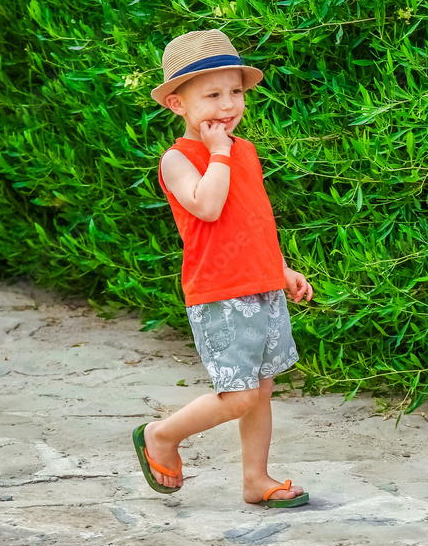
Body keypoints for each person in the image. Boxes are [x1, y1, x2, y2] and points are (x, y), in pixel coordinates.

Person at [131, 29, 313, 508]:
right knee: (239, 396)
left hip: (262, 285)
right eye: (212, 96)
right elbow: (208, 208)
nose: (227, 105)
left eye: (235, 92)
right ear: (177, 104)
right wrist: (217, 153)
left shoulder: (243, 151)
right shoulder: (179, 159)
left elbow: (253, 222)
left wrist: (282, 267)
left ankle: (256, 479)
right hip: (221, 292)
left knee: (262, 390)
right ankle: (161, 435)